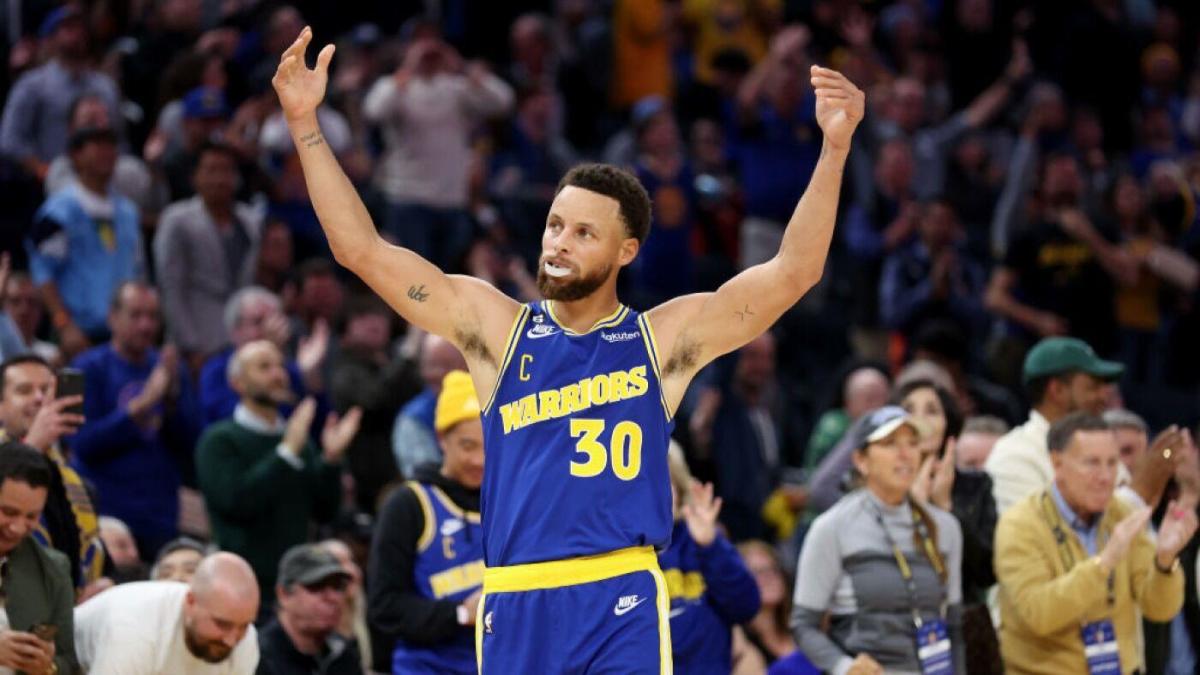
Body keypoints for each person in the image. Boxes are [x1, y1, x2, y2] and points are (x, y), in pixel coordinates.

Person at [274, 26, 862, 672]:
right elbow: (361, 250)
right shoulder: (495, 328)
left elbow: (792, 273)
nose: (558, 242)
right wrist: (306, 124)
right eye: (556, 224)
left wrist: (833, 150)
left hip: (619, 594)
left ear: (626, 251)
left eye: (584, 233)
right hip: (514, 597)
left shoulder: (660, 339)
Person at [993, 413, 1197, 673]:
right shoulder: (1020, 524)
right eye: (1092, 463)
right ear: (1057, 463)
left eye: (1112, 463)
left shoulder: (1122, 513)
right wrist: (1105, 562)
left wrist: (1165, 561)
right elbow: (1038, 614)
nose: (1105, 476)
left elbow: (1159, 609)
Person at [792, 406, 965, 674]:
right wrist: (845, 667)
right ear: (861, 460)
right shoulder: (832, 527)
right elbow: (803, 625)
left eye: (913, 443)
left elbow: (953, 625)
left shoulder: (946, 527)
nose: (905, 453)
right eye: (890, 444)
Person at [196, 340, 360, 607]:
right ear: (238, 383)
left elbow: (325, 511)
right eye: (264, 367)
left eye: (280, 366)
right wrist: (284, 455)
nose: (277, 374)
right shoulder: (219, 441)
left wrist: (331, 459)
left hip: (296, 586)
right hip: (241, 587)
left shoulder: (298, 442)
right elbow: (236, 502)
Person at [69, 282, 202, 557]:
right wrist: (140, 407)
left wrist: (172, 398)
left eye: (153, 316)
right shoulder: (87, 367)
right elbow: (82, 443)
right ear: (112, 317)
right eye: (136, 315)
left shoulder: (169, 369)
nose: (145, 325)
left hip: (159, 516)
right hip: (105, 516)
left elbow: (192, 444)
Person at [369, 371, 485, 674]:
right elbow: (385, 607)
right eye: (468, 446)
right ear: (440, 439)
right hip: (428, 666)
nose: (480, 461)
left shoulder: (508, 500)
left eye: (489, 446)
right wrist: (460, 614)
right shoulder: (408, 504)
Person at [26, 126, 144, 357]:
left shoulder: (128, 212)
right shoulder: (58, 211)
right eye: (97, 146)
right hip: (77, 332)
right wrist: (63, 323)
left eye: (111, 146)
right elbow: (42, 271)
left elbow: (138, 271)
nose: (107, 153)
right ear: (76, 155)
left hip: (123, 336)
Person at [0, 354, 108, 591]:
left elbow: (97, 560)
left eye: (47, 390)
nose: (39, 398)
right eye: (24, 390)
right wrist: (32, 447)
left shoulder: (79, 485)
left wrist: (103, 584)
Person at [154, 141, 264, 366]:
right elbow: (171, 287)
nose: (220, 179)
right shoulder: (176, 220)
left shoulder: (250, 220)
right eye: (211, 170)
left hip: (241, 340)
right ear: (195, 177)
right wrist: (190, 345)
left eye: (226, 170)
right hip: (197, 339)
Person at [986, 336, 1125, 514]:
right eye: (1093, 387)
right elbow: (1033, 537)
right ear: (1057, 390)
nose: (1104, 398)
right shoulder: (1015, 455)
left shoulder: (1103, 449)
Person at [659, 444, 761, 673]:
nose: (655, 493)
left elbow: (746, 606)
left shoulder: (700, 541)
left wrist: (710, 546)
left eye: (664, 480)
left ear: (679, 488)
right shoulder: (612, 555)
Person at [74, 552, 261, 673]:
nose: (231, 639)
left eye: (243, 626)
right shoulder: (134, 626)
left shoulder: (245, 640)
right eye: (222, 624)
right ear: (191, 602)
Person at [0, 442, 78, 675]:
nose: (17, 528)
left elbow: (69, 662)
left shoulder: (54, 570)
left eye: (32, 517)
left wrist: (48, 667)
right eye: (8, 512)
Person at [256, 544, 361, 674]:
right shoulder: (257, 657)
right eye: (317, 586)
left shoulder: (343, 654)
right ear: (283, 594)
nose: (332, 598)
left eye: (338, 587)